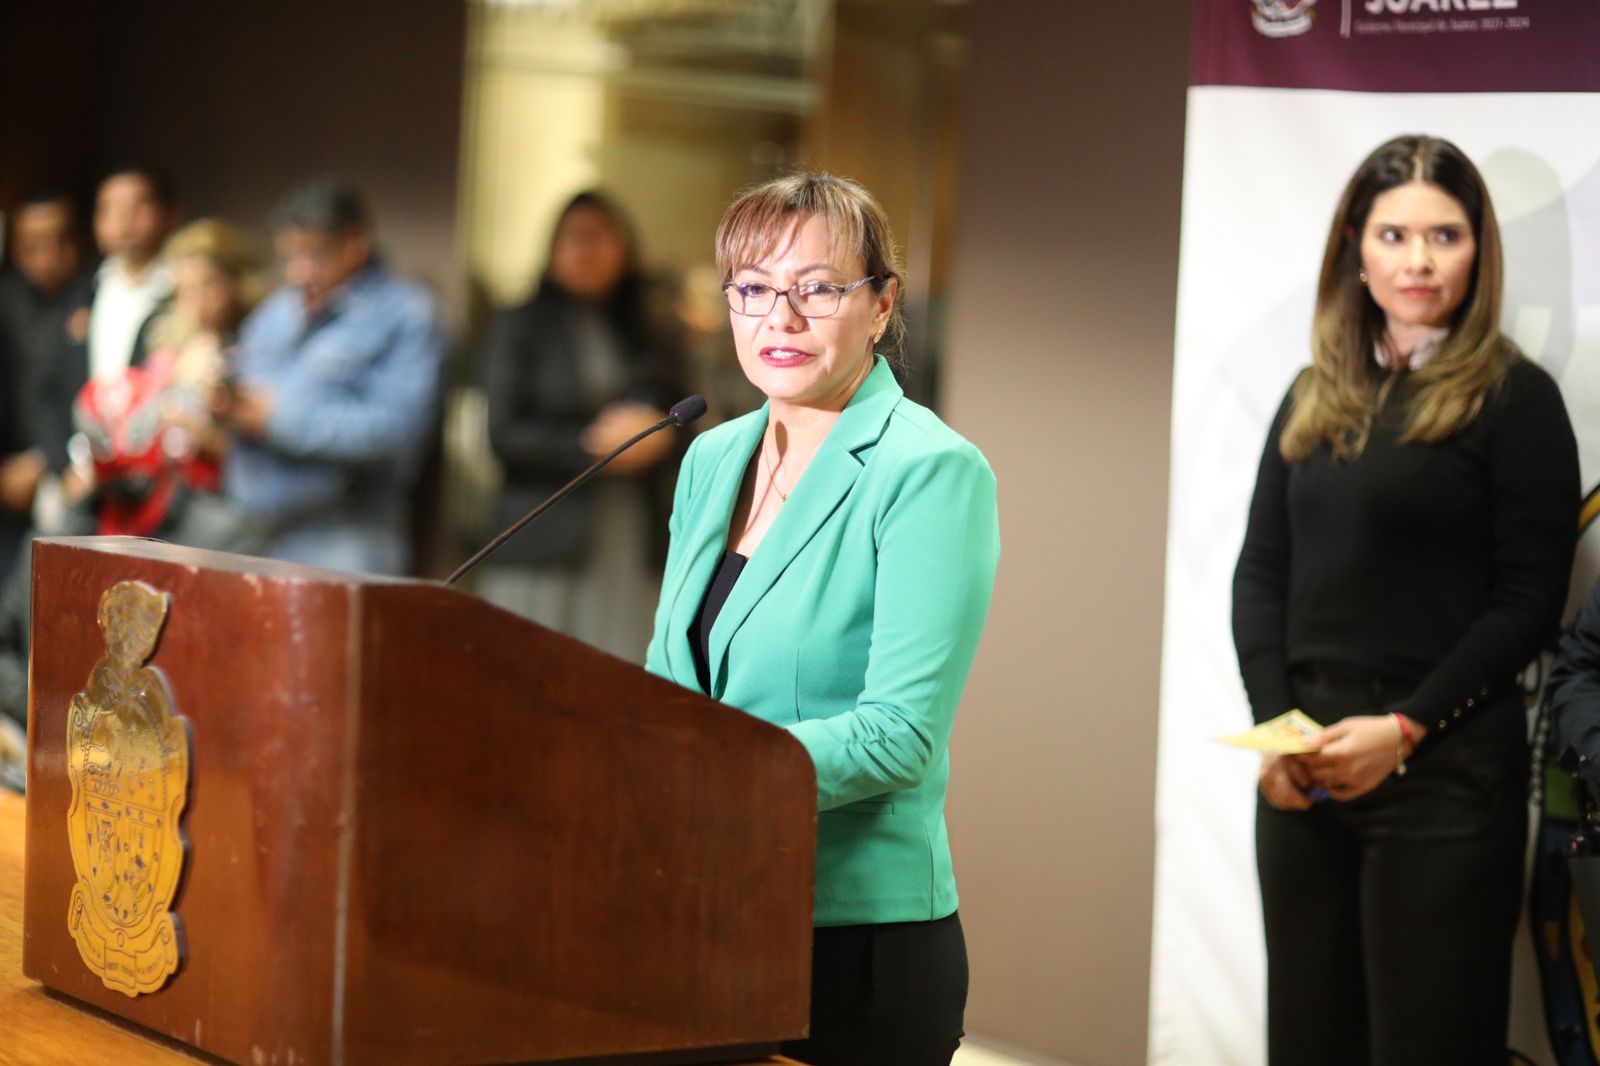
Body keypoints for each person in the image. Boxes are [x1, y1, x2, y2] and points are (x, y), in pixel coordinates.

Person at [1232, 134, 1579, 1065]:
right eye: (1393, 235)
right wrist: (1278, 733)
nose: (1418, 260)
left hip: (1446, 783)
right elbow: (1260, 575)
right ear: (1356, 246)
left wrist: (1406, 727)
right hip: (1305, 778)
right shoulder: (1314, 393)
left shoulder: (1516, 400)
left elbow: (1529, 604)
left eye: (1444, 236)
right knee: (1308, 1044)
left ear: (1479, 252)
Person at [643, 173, 999, 1065]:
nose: (782, 317)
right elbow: (668, 684)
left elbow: (898, 736)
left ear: (882, 306)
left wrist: (711, 775)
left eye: (819, 288)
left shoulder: (928, 471)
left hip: (850, 938)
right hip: (696, 908)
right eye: (754, 288)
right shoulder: (711, 457)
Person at [479, 190, 687, 662]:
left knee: (615, 670)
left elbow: (689, 418)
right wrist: (593, 446)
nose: (587, 250)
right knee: (525, 671)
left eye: (600, 237)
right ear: (552, 248)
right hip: (541, 526)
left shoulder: (651, 329)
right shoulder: (519, 324)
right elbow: (504, 434)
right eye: (575, 237)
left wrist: (658, 437)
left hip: (628, 529)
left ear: (625, 248)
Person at [217, 177, 445, 575]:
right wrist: (221, 400)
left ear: (356, 243)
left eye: (314, 255)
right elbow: (245, 383)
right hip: (255, 531)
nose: (299, 273)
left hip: (346, 538)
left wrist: (276, 419)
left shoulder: (407, 314)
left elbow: (399, 430)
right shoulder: (278, 310)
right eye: (289, 257)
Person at [73, 218, 265, 547]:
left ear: (236, 283)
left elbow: (259, 454)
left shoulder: (257, 348)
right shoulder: (164, 350)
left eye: (208, 286)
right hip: (158, 499)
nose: (196, 302)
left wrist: (197, 428)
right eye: (185, 291)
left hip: (225, 503)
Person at [0, 187, 95, 554]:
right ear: (16, 248)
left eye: (61, 240)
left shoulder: (97, 295)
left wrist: (45, 458)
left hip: (72, 472)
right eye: (34, 245)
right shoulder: (7, 300)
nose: (49, 256)